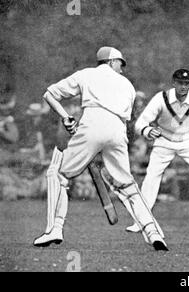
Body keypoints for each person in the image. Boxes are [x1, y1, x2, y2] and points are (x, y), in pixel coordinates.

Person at [33, 46, 168, 251]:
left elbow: (49, 94)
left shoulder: (86, 74)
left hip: (92, 123)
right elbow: (123, 117)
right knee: (127, 186)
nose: (122, 69)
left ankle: (55, 229)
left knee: (58, 175)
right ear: (112, 61)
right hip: (118, 131)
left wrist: (67, 118)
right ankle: (153, 232)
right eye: (120, 64)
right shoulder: (128, 85)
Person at [132, 69, 189, 234]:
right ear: (173, 83)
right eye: (180, 83)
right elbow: (141, 123)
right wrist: (147, 131)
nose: (183, 87)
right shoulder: (161, 98)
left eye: (187, 83)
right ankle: (141, 221)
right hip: (164, 141)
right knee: (151, 178)